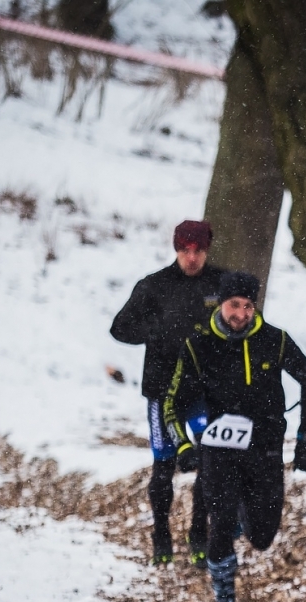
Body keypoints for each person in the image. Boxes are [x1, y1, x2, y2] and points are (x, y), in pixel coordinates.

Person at [163, 270, 306, 602]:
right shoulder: (199, 346)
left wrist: (305, 437)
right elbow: (172, 402)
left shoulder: (274, 340)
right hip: (219, 452)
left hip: (265, 450)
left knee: (263, 536)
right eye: (235, 306)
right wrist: (184, 445)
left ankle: (239, 516)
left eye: (249, 306)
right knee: (219, 526)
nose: (242, 314)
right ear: (221, 304)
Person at [110, 221, 227, 566]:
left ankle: (198, 532)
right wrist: (158, 331)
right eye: (185, 251)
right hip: (163, 391)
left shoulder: (220, 284)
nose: (191, 258)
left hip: (205, 392)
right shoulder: (154, 286)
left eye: (198, 251)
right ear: (176, 249)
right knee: (164, 466)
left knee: (209, 461)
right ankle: (161, 532)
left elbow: (242, 322)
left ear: (207, 250)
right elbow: (120, 327)